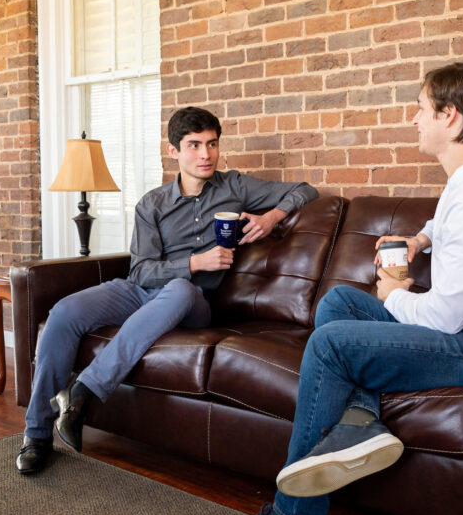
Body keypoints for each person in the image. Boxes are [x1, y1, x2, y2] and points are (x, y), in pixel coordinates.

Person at [205, 62, 463, 515]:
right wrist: (419, 239)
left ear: (449, 117)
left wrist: (393, 294)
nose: (414, 118)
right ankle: (361, 417)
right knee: (340, 300)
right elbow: (446, 217)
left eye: (420, 107)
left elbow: (442, 318)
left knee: (330, 344)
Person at [16, 107, 319, 474]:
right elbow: (141, 270)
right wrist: (196, 262)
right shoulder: (152, 204)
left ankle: (83, 393)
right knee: (63, 313)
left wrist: (271, 217)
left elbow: (305, 190)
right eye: (194, 146)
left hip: (191, 301)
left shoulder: (236, 187)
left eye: (212, 144)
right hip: (140, 291)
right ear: (173, 151)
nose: (205, 155)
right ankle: (36, 436)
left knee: (178, 287)